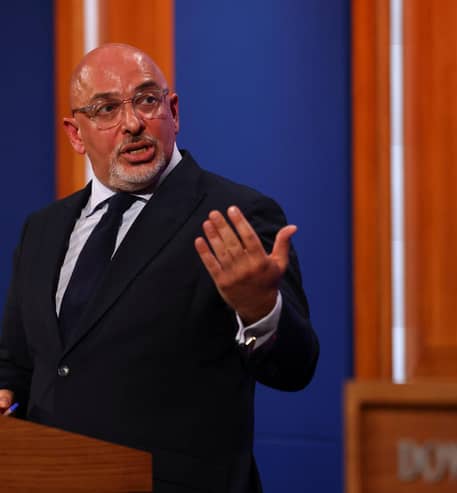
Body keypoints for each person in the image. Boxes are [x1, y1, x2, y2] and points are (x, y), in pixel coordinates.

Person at [0, 43, 318, 492]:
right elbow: (19, 361)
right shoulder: (43, 229)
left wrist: (260, 311)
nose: (132, 124)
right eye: (106, 109)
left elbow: (296, 368)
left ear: (173, 111)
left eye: (147, 101)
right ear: (76, 134)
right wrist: (7, 391)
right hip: (48, 478)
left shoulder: (234, 215)